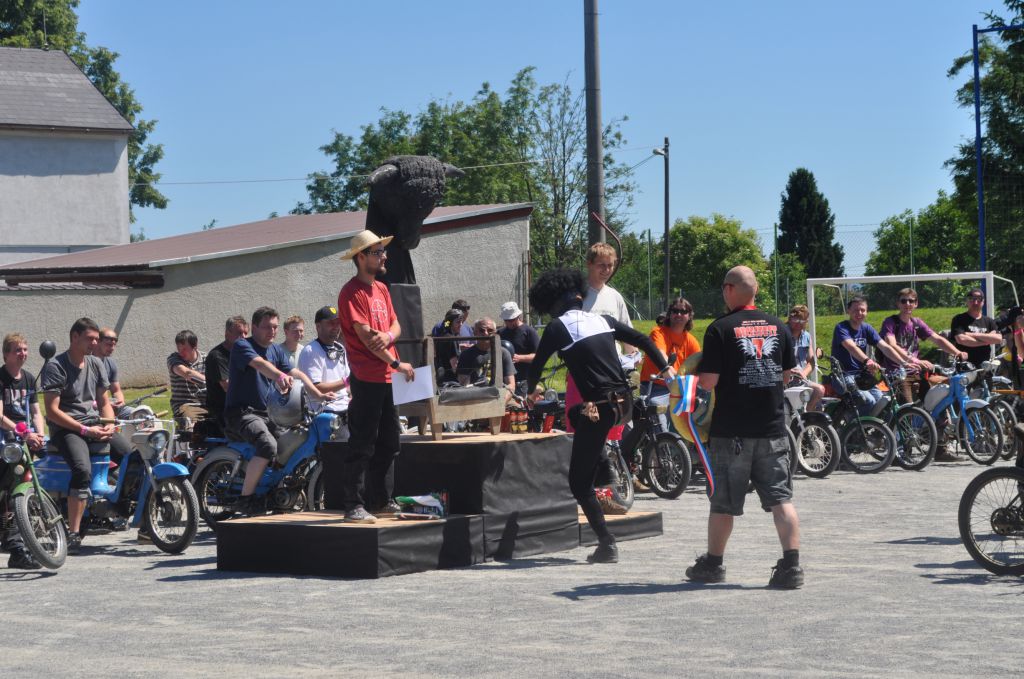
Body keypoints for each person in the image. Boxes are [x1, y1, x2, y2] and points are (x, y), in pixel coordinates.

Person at [526, 268, 673, 564]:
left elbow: (537, 366)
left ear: (553, 303)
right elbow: (644, 340)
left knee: (578, 483)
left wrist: (531, 393)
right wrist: (665, 368)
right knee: (572, 412)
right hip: (624, 403)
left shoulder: (557, 328)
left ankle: (607, 543)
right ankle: (604, 467)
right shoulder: (603, 320)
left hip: (600, 409)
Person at [686, 266, 803, 588]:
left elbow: (709, 382)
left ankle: (713, 564)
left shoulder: (720, 328)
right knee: (781, 499)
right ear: (756, 290)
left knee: (723, 503)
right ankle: (792, 566)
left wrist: (688, 379)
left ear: (728, 289)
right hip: (772, 429)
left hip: (731, 432)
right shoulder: (779, 326)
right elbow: (785, 376)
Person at [337, 230, 415, 524]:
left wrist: (388, 336)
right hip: (367, 376)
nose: (384, 256)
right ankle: (353, 505)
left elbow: (396, 325)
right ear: (361, 258)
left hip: (387, 377)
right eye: (378, 252)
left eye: (383, 251)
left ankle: (381, 501)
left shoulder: (381, 288)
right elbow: (367, 338)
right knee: (362, 443)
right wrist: (397, 363)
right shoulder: (351, 292)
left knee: (390, 442)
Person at [223, 307, 331, 516]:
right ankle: (246, 499)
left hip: (269, 414)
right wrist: (280, 376)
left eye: (274, 327)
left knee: (294, 440)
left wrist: (318, 393)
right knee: (268, 444)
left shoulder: (275, 350)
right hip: (242, 413)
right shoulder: (242, 346)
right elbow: (260, 364)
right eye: (266, 327)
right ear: (254, 327)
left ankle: (275, 487)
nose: (272, 331)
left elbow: (296, 372)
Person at [39, 318, 121, 553]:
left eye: (96, 339)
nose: (95, 343)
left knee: (132, 454)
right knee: (82, 470)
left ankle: (126, 513)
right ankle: (73, 533)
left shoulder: (96, 363)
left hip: (95, 425)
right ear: (74, 337)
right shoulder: (56, 366)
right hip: (66, 429)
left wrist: (109, 425)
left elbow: (104, 402)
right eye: (90, 339)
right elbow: (52, 411)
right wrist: (84, 430)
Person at [0, 333, 45, 569]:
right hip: (6, 440)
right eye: (18, 350)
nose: (23, 354)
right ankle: (15, 546)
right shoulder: (1, 378)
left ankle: (14, 543)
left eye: (25, 349)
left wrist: (40, 435)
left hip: (24, 439)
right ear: (6, 354)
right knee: (10, 493)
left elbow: (36, 412)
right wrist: (23, 433)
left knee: (15, 492)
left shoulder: (28, 378)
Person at [879, 288, 966, 404]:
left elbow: (938, 339)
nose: (907, 304)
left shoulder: (916, 323)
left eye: (911, 301)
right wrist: (916, 361)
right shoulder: (891, 322)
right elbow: (892, 345)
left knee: (936, 402)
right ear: (898, 303)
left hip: (916, 372)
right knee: (908, 408)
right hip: (897, 373)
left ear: (916, 304)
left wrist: (957, 352)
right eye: (903, 301)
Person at [830, 296, 904, 415]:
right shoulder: (841, 328)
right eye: (855, 310)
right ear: (848, 311)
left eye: (862, 310)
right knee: (868, 401)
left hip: (862, 376)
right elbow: (852, 347)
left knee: (882, 401)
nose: (859, 313)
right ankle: (855, 426)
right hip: (843, 375)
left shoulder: (866, 328)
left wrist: (904, 363)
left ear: (867, 311)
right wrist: (868, 361)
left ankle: (873, 425)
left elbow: (885, 347)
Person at [640, 297, 701, 430]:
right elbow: (661, 355)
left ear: (689, 316)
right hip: (656, 387)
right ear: (669, 314)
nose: (679, 314)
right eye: (675, 311)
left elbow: (698, 367)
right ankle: (660, 442)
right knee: (660, 426)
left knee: (687, 424)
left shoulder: (691, 341)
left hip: (679, 389)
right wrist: (670, 373)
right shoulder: (658, 333)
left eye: (683, 312)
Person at [297, 306, 351, 416]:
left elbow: (348, 384)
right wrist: (349, 381)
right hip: (324, 410)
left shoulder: (340, 347)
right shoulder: (311, 351)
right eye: (331, 323)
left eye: (338, 323)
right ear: (318, 326)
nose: (336, 327)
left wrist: (352, 396)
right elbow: (316, 388)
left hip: (345, 406)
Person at [205, 315, 249, 432]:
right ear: (227, 333)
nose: (243, 337)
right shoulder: (217, 356)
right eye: (239, 333)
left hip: (243, 408)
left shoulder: (244, 353)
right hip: (224, 412)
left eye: (245, 333)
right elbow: (228, 387)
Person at [457, 317, 515, 396]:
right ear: (475, 332)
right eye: (481, 330)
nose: (486, 333)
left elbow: (511, 385)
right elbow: (464, 387)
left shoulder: (503, 353)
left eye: (490, 330)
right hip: (474, 397)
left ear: (495, 333)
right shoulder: (466, 355)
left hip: (499, 397)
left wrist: (501, 401)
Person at [784, 305, 825, 411]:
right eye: (796, 319)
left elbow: (811, 362)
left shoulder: (806, 336)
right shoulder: (782, 334)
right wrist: (791, 371)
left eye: (802, 320)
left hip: (800, 379)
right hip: (784, 379)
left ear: (806, 321)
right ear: (790, 318)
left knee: (819, 390)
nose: (799, 323)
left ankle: (806, 416)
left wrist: (803, 373)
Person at [952, 288, 1003, 368]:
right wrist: (986, 341)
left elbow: (998, 339)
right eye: (971, 299)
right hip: (964, 366)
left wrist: (970, 334)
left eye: (979, 299)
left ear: (983, 302)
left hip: (985, 366)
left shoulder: (989, 321)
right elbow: (961, 339)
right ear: (967, 301)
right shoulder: (959, 319)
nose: (975, 302)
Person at [166, 329, 207, 428]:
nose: (181, 352)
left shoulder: (207, 359)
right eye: (178, 348)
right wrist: (209, 381)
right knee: (193, 425)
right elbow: (187, 373)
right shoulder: (173, 359)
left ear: (195, 346)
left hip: (206, 403)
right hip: (185, 405)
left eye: (184, 349)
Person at [498, 301, 539, 397]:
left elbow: (538, 356)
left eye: (512, 320)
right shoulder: (500, 333)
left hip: (524, 381)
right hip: (504, 381)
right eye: (506, 320)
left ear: (518, 316)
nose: (509, 323)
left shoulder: (529, 332)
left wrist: (520, 358)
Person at [94, 327, 129, 419]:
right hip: (91, 410)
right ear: (98, 341)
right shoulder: (86, 362)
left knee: (142, 414)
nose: (112, 348)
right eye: (109, 345)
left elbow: (116, 390)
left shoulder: (110, 363)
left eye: (114, 345)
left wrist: (120, 402)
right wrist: (105, 405)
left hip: (109, 407)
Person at [432, 309, 465, 384]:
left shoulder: (443, 336)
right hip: (451, 381)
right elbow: (455, 366)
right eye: (458, 322)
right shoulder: (451, 339)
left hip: (442, 379)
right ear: (450, 323)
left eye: (462, 322)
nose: (461, 324)